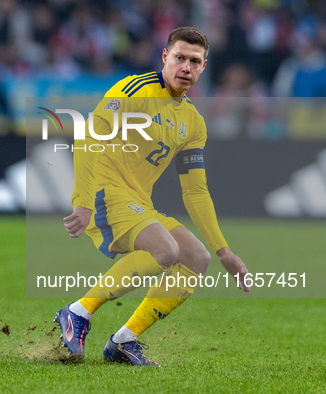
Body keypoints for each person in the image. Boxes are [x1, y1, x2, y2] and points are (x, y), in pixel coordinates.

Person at [54, 27, 250, 366]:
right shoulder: (135, 90)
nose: (186, 68)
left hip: (137, 201)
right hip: (103, 190)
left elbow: (195, 190)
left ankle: (123, 341)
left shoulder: (192, 121)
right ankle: (77, 312)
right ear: (165, 57)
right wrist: (84, 201)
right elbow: (89, 137)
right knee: (164, 249)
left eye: (195, 61)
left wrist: (224, 251)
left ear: (204, 67)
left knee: (196, 258)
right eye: (180, 58)